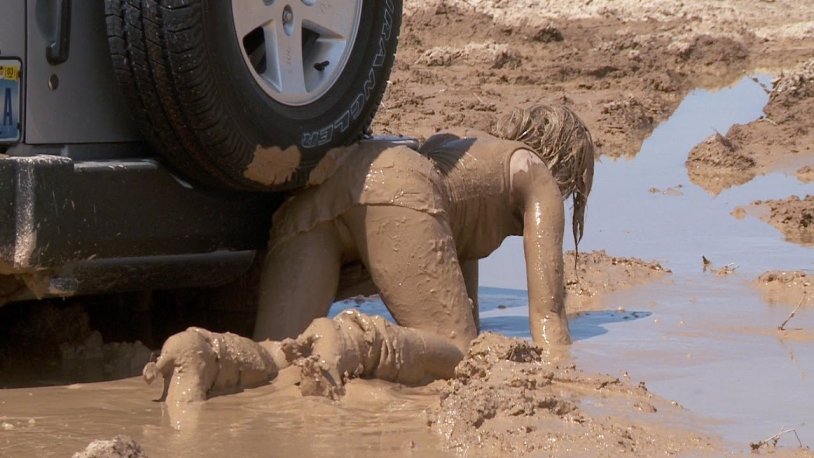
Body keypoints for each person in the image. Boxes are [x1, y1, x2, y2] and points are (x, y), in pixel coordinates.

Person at [143, 104, 595, 402]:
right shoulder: (534, 172)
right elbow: (549, 320)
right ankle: (355, 341)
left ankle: (205, 353)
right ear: (566, 164)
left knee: (279, 356)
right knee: (462, 357)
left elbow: (450, 280)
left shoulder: (467, 148)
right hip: (401, 189)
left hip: (333, 186)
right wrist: (569, 381)